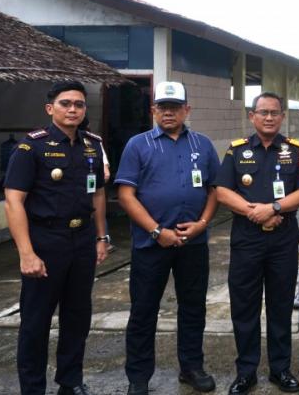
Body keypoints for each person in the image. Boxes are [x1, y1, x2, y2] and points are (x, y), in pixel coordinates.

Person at [114, 82, 220, 395]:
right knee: (144, 310)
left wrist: (202, 224)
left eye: (175, 106)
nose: (169, 112)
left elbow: (214, 189)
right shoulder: (138, 145)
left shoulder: (202, 144)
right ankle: (138, 377)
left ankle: (191, 367)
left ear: (187, 109)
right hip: (151, 244)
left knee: (193, 308)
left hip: (193, 243)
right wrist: (157, 231)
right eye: (163, 106)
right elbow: (126, 194)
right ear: (153, 110)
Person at [4, 80, 109, 395]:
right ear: (51, 109)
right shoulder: (30, 147)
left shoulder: (92, 144)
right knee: (36, 322)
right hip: (46, 241)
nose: (73, 109)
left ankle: (70, 381)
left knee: (78, 316)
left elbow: (98, 194)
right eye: (66, 103)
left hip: (83, 239)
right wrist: (26, 253)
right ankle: (33, 389)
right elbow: (13, 201)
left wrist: (102, 237)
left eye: (79, 104)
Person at [216, 92, 299, 394]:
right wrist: (254, 212)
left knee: (280, 306)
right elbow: (221, 191)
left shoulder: (296, 151)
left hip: (283, 241)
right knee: (244, 307)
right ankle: (246, 372)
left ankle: (280, 370)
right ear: (252, 116)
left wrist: (273, 209)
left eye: (274, 112)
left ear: (282, 116)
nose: (269, 117)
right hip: (247, 240)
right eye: (263, 112)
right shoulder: (236, 151)